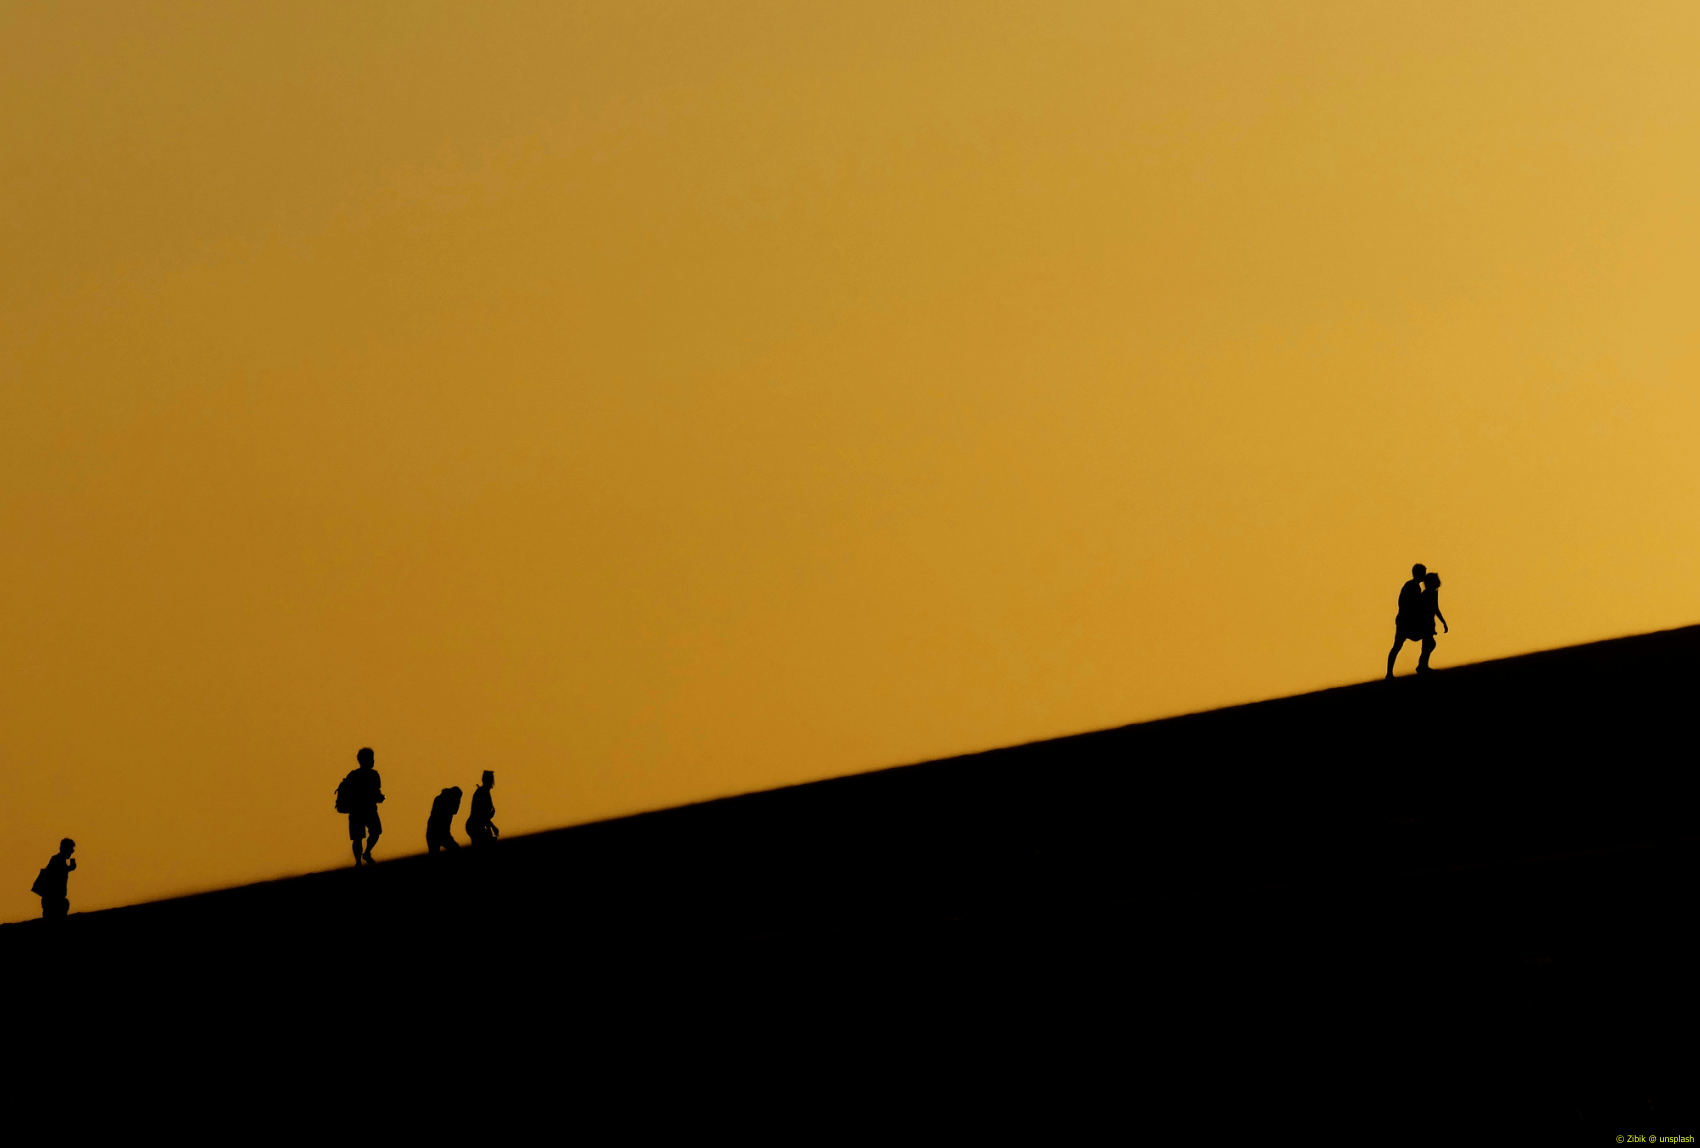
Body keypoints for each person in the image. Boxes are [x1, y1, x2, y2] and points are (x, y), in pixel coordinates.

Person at [336, 747, 385, 865]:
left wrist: (378, 797)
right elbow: (375, 793)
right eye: (371, 758)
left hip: (359, 811)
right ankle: (362, 858)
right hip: (363, 810)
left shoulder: (356, 775)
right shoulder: (371, 775)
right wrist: (379, 798)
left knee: (368, 834)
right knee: (367, 834)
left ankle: (362, 858)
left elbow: (376, 793)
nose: (373, 761)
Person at [31, 838, 76, 919]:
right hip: (53, 900)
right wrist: (69, 869)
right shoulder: (56, 860)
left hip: (55, 899)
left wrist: (68, 869)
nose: (71, 853)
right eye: (70, 850)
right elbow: (55, 875)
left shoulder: (60, 860)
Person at [466, 770, 499, 846]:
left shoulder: (485, 792)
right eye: (491, 779)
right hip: (474, 825)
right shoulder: (482, 793)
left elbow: (484, 817)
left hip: (477, 825)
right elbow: (481, 815)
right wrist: (493, 827)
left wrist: (490, 828)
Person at [426, 787, 462, 853]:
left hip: (434, 833)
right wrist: (458, 801)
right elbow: (454, 811)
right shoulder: (445, 801)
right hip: (439, 833)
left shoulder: (439, 798)